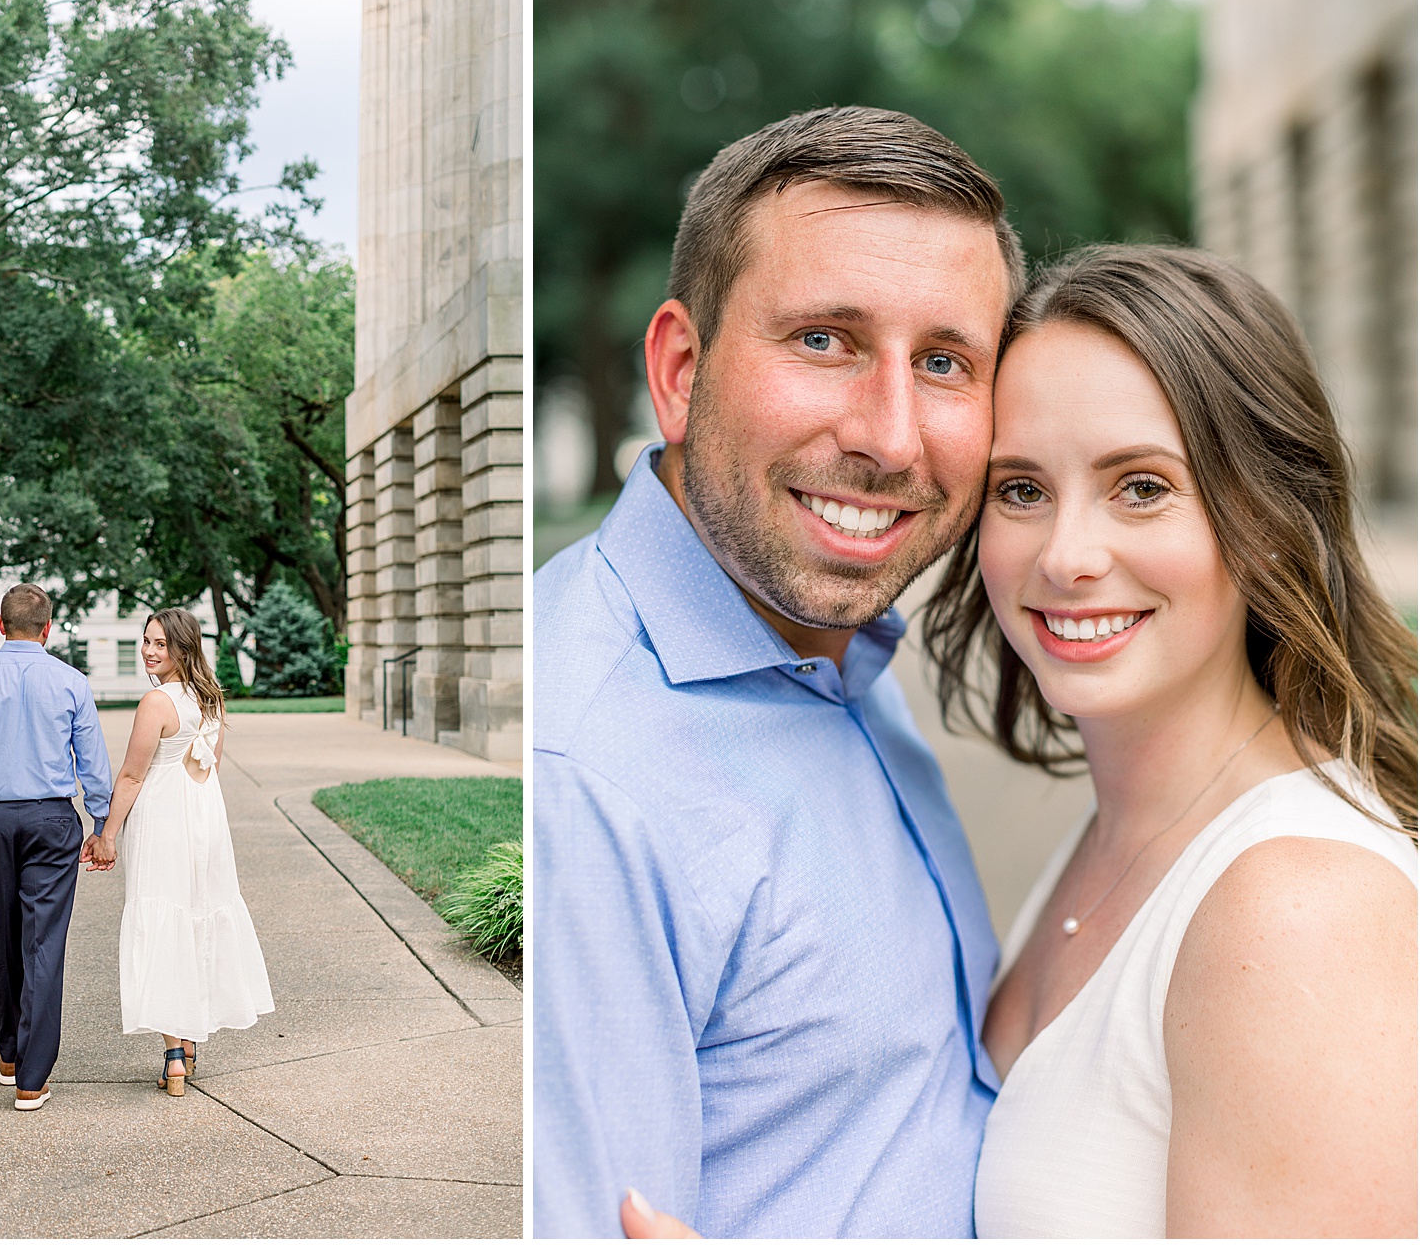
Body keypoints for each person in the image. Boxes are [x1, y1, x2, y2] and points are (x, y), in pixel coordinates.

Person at [622, 247, 1418, 1237]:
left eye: (1141, 487)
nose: (1067, 556)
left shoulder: (1298, 910)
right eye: (1023, 489)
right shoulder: (1121, 833)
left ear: (1263, 518)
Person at [534, 105, 1023, 1236]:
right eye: (825, 341)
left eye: (945, 362)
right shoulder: (588, 777)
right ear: (680, 367)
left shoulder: (835, 646)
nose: (892, 439)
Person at [0, 581, 114, 1112]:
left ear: (0, 626)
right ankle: (31, 1079)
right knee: (43, 943)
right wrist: (101, 823)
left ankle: (10, 1053)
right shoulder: (71, 682)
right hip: (52, 820)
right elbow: (94, 765)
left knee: (4, 935)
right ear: (48, 629)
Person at [86, 607, 273, 1095]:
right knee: (197, 916)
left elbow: (131, 775)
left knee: (166, 921)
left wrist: (107, 834)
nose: (149, 651)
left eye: (160, 644)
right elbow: (210, 767)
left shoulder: (157, 702)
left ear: (183, 649)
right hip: (206, 818)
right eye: (146, 641)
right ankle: (190, 1042)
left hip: (164, 820)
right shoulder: (211, 700)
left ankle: (173, 1054)